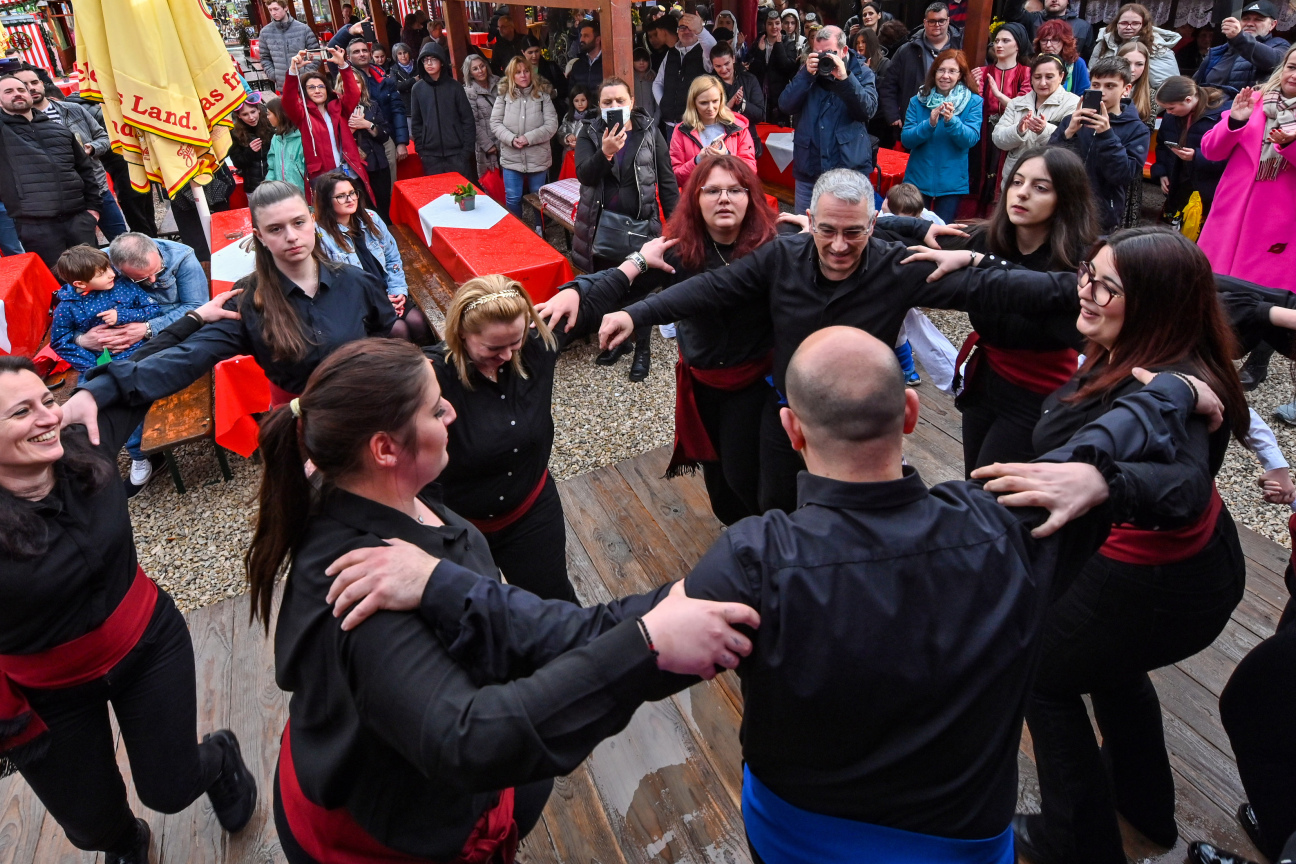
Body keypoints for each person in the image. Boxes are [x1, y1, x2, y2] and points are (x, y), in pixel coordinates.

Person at [330, 323, 1226, 864]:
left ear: (791, 430)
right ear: (911, 414)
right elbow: (1102, 438)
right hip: (964, 830)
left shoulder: (756, 560)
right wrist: (1177, 393)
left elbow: (588, 631)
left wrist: (445, 584)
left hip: (803, 833)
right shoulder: (1007, 521)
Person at [244, 337, 760, 864]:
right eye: (434, 406)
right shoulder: (361, 591)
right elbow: (468, 739)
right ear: (383, 449)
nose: (451, 413)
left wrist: (666, 607)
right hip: (388, 832)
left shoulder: (370, 488)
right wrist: (644, 647)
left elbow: (512, 616)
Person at [979, 228, 1248, 864]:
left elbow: (1183, 484)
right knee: (1108, 664)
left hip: (1153, 581)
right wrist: (961, 256)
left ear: (1155, 303)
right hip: (1182, 567)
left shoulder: (1172, 378)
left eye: (1108, 286)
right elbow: (1030, 287)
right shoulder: (1134, 344)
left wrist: (1104, 479)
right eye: (1087, 275)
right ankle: (1143, 801)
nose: (1088, 293)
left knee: (1041, 672)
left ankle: (1076, 841)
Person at [598, 168, 1084, 513]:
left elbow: (1002, 289)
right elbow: (710, 288)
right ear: (809, 219)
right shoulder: (783, 257)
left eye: (853, 233)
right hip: (787, 410)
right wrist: (631, 311)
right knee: (774, 505)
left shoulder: (900, 268)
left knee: (858, 514)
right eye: (826, 230)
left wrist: (984, 262)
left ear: (874, 225)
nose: (836, 246)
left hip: (863, 425)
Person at [1, 294, 258, 863]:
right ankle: (125, 845)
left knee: (169, 788)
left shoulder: (80, 438)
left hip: (146, 643)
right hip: (49, 696)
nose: (49, 417)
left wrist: (202, 320)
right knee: (91, 826)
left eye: (47, 400)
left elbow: (136, 375)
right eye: (22, 413)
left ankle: (219, 758)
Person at [541, 154, 780, 524]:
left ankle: (766, 545)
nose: (724, 198)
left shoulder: (773, 246)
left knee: (747, 479)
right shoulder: (680, 252)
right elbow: (623, 283)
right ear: (695, 199)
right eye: (712, 190)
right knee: (720, 485)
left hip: (756, 385)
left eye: (735, 190)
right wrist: (575, 289)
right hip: (704, 383)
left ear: (751, 197)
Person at [70, 182, 396, 415]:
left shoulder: (356, 282)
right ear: (260, 238)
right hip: (308, 422)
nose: (292, 236)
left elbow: (385, 333)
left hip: (368, 407)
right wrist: (98, 391)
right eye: (276, 229)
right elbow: (187, 358)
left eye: (298, 223)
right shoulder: (246, 300)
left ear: (312, 222)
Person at [429, 273, 630, 600]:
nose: (508, 356)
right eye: (494, 347)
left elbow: (598, 299)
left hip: (530, 515)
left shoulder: (537, 346)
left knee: (553, 597)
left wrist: (628, 267)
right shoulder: (431, 374)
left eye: (515, 342)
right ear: (461, 334)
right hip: (460, 528)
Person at [944, 146, 1100, 472]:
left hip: (1039, 394)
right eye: (1016, 182)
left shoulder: (1084, 263)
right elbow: (920, 246)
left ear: (1066, 199)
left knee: (990, 492)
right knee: (974, 476)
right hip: (985, 380)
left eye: (1040, 188)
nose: (1022, 194)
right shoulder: (985, 240)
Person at [1197, 47, 1296, 298]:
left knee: (1260, 303)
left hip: (1279, 226)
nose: (1294, 76)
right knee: (1211, 294)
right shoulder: (1256, 100)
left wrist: (1289, 144)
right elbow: (1211, 151)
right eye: (1291, 67)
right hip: (1229, 215)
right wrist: (1235, 122)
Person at [571, 74, 679, 302]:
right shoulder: (588, 132)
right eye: (607, 103)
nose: (614, 106)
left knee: (639, 296)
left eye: (620, 101)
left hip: (641, 230)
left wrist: (679, 227)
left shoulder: (649, 130)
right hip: (601, 230)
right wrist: (605, 152)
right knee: (604, 294)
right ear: (599, 106)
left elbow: (667, 181)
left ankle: (639, 337)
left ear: (631, 101)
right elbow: (585, 176)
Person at [13, 66, 128, 243]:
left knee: (124, 242)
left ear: (43, 84)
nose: (31, 88)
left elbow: (104, 138)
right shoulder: (18, 127)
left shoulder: (73, 109)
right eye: (24, 85)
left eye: (34, 82)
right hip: (65, 200)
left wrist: (91, 148)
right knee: (87, 254)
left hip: (97, 189)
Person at [311, 171, 430, 343]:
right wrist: (377, 300)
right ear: (326, 201)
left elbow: (392, 257)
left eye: (352, 193)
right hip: (359, 304)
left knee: (417, 321)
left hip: (387, 291)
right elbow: (335, 286)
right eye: (341, 196)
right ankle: (405, 368)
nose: (350, 199)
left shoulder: (371, 218)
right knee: (399, 329)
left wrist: (398, 290)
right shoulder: (321, 236)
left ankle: (429, 366)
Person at [0, 74, 99, 271]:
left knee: (94, 274)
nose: (17, 94)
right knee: (59, 285)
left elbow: (85, 170)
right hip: (37, 228)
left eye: (21, 90)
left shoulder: (58, 130)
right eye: (8, 91)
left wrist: (93, 210)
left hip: (79, 220)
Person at [779, 25, 879, 216]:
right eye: (818, 53)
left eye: (829, 53)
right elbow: (785, 105)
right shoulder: (808, 72)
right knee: (807, 230)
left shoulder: (862, 73)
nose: (824, 58)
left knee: (847, 229)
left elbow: (867, 111)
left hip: (848, 170)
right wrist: (805, 76)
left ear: (843, 50)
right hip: (810, 169)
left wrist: (845, 79)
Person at [1049, 56, 1151, 231]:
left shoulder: (1137, 129)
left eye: (1110, 86)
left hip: (1101, 215)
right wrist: (1068, 133)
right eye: (1096, 85)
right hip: (1062, 207)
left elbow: (1123, 175)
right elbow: (1048, 161)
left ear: (1126, 89)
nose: (1102, 91)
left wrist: (1107, 135)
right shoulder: (1072, 120)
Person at [900, 48, 982, 223]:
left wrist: (952, 121)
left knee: (943, 234)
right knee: (913, 230)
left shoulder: (973, 102)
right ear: (934, 72)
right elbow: (907, 139)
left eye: (952, 71)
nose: (946, 76)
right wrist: (929, 123)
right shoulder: (918, 100)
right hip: (918, 179)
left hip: (952, 182)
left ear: (960, 75)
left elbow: (970, 139)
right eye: (941, 70)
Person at [328, 25, 411, 196]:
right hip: (358, 144)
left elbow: (397, 109)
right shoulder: (347, 75)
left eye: (364, 50)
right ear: (348, 57)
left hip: (384, 138)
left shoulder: (383, 77)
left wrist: (401, 141)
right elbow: (332, 48)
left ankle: (390, 222)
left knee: (389, 188)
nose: (362, 54)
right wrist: (349, 31)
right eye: (356, 52)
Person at [281, 48, 373, 199]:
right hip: (322, 175)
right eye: (311, 87)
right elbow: (288, 101)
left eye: (321, 86)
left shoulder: (339, 108)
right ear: (305, 92)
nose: (317, 90)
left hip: (347, 169)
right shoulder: (302, 115)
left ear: (327, 88)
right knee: (329, 215)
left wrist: (343, 65)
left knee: (354, 209)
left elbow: (354, 93)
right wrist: (293, 71)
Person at [878, 2, 963, 143]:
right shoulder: (906, 50)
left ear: (948, 20)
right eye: (932, 21)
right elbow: (888, 84)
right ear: (924, 22)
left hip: (952, 119)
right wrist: (892, 114)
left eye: (941, 21)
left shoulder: (963, 46)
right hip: (915, 120)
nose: (937, 25)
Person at [993, 54, 1081, 185]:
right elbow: (998, 139)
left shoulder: (1073, 104)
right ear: (1031, 79)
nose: (1043, 82)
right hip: (1015, 178)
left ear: (1061, 76)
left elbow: (1073, 144)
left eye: (1049, 77)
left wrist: (1044, 130)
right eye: (1037, 77)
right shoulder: (1017, 103)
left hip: (1052, 178)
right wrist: (1018, 131)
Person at [970, 23, 1032, 208]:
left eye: (1005, 41)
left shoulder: (1027, 73)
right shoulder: (982, 72)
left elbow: (1023, 108)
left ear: (1018, 45)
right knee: (982, 171)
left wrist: (999, 95)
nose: (999, 45)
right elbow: (976, 104)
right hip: (984, 129)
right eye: (996, 41)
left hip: (1012, 129)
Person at [1153, 76, 1231, 223]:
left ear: (1188, 100)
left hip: (1208, 188)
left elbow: (1229, 156)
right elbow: (1162, 144)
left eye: (1171, 108)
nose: (1168, 112)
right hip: (1178, 185)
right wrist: (1162, 172)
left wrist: (1197, 156)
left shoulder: (1222, 115)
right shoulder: (1172, 116)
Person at [490, 55, 559, 218]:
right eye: (518, 72)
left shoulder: (543, 96)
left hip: (538, 157)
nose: (523, 75)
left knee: (537, 199)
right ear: (511, 76)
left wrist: (529, 138)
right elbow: (495, 122)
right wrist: (510, 138)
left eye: (526, 71)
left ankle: (539, 230)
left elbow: (552, 125)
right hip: (511, 157)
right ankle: (517, 233)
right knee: (513, 198)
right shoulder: (503, 96)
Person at [669, 74, 758, 188]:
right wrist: (697, 161)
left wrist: (728, 157)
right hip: (697, 198)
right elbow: (675, 177)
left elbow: (750, 172)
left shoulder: (738, 127)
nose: (710, 108)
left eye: (715, 101)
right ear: (693, 103)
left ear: (721, 100)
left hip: (729, 197)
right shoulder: (681, 131)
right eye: (704, 103)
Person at [1194, 0, 1291, 94]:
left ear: (1272, 25)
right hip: (1208, 106)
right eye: (1245, 19)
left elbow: (1274, 62)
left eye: (1258, 19)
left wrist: (1239, 37)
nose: (1249, 23)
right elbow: (1194, 84)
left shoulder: (1280, 45)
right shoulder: (1220, 51)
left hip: (1244, 107)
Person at [411, 41, 475, 179]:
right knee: (439, 196)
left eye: (433, 59)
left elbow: (468, 120)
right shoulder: (417, 89)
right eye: (425, 60)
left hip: (457, 154)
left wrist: (466, 152)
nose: (429, 63)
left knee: (462, 196)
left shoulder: (455, 87)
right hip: (431, 156)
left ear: (442, 62)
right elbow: (416, 123)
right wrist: (421, 151)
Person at [1090, 3, 1182, 95]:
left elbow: (1169, 89)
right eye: (1124, 23)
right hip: (1105, 100)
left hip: (1141, 103)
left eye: (1135, 23)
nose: (1128, 27)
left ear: (1144, 25)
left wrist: (1146, 105)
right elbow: (1091, 76)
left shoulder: (1157, 47)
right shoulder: (1104, 43)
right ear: (1117, 24)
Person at [652, 12, 718, 135]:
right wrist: (663, 104)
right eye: (682, 28)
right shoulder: (671, 53)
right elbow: (657, 82)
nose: (686, 31)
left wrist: (700, 30)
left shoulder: (704, 52)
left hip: (696, 125)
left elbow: (713, 48)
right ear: (677, 31)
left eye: (691, 28)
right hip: (671, 126)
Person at [749, 8, 799, 126]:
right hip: (760, 93)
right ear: (765, 25)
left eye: (777, 23)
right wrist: (760, 52)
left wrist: (779, 45)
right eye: (770, 24)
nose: (774, 27)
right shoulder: (758, 42)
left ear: (781, 25)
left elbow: (787, 68)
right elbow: (752, 72)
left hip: (779, 94)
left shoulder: (788, 43)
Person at [257, 0, 320, 92]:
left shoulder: (304, 29)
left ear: (286, 7)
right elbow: (264, 58)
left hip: (306, 84)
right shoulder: (265, 32)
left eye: (276, 9)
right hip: (283, 85)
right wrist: (273, 75)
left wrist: (307, 74)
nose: (273, 13)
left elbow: (316, 55)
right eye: (270, 10)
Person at [1005, 0, 1095, 61]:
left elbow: (1088, 59)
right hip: (1034, 76)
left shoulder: (1083, 27)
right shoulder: (1032, 19)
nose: (1054, 0)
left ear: (1068, 1)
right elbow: (1011, 14)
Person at [711, 42, 765, 136]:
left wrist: (742, 104)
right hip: (720, 140)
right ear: (712, 65)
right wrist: (728, 105)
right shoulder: (709, 85)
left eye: (726, 63)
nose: (723, 69)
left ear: (733, 59)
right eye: (718, 66)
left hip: (749, 139)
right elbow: (706, 118)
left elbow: (760, 115)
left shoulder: (749, 79)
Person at [462, 54, 500, 182]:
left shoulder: (499, 82)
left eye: (482, 66)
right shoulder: (469, 92)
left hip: (507, 141)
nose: (480, 71)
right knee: (494, 187)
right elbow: (472, 122)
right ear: (470, 73)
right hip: (488, 147)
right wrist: (488, 145)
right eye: (475, 69)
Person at [228, 99, 275, 197]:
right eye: (245, 114)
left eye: (253, 112)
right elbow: (237, 163)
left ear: (258, 110)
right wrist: (250, 152)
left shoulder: (270, 127)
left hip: (275, 184)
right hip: (253, 187)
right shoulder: (235, 133)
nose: (251, 117)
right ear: (239, 116)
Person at [264, 96, 308, 192]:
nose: (267, 117)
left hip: (302, 196)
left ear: (279, 114)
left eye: (268, 114)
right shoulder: (276, 138)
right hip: (282, 195)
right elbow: (271, 167)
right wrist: (267, 186)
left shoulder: (303, 138)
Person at [1035, 19, 1090, 94]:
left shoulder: (1078, 63)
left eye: (1054, 40)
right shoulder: (1035, 63)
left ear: (1065, 42)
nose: (1048, 45)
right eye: (1044, 40)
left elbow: (1083, 93)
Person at [568, 20, 605, 94]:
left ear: (597, 40)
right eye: (581, 35)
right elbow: (571, 93)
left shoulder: (607, 63)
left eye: (586, 36)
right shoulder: (577, 65)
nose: (581, 39)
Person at [387, 42, 418, 114]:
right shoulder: (394, 69)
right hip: (407, 106)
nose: (403, 56)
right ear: (396, 56)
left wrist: (403, 84)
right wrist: (414, 80)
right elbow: (396, 86)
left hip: (421, 100)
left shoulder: (418, 65)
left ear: (409, 53)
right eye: (399, 54)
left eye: (405, 52)